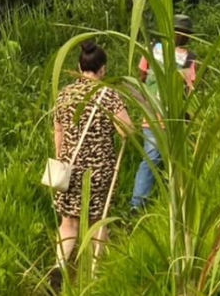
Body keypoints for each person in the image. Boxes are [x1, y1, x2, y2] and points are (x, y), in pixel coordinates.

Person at [53, 41, 132, 275]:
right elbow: (126, 130)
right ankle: (96, 272)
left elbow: (58, 129)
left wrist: (61, 156)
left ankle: (58, 268)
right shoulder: (109, 96)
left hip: (69, 167)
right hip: (99, 170)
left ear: (79, 67)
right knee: (98, 219)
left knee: (68, 222)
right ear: (103, 69)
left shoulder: (66, 94)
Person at [129, 13, 197, 213]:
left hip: (150, 115)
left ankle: (138, 204)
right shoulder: (190, 59)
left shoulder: (152, 50)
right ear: (188, 36)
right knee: (174, 162)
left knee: (150, 161)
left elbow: (140, 77)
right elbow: (190, 90)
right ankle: (164, 202)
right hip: (174, 118)